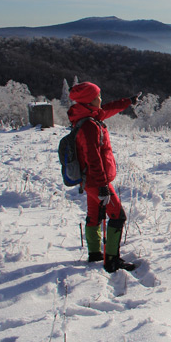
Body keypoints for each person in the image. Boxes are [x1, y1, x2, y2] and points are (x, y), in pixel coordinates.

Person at [67, 82, 139, 273]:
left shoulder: (86, 116)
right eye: (98, 96)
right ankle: (112, 260)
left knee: (94, 215)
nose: (101, 99)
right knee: (117, 216)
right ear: (90, 100)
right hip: (96, 181)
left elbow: (106, 110)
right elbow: (94, 158)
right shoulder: (90, 126)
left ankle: (94, 253)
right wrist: (102, 186)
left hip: (88, 181)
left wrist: (128, 102)